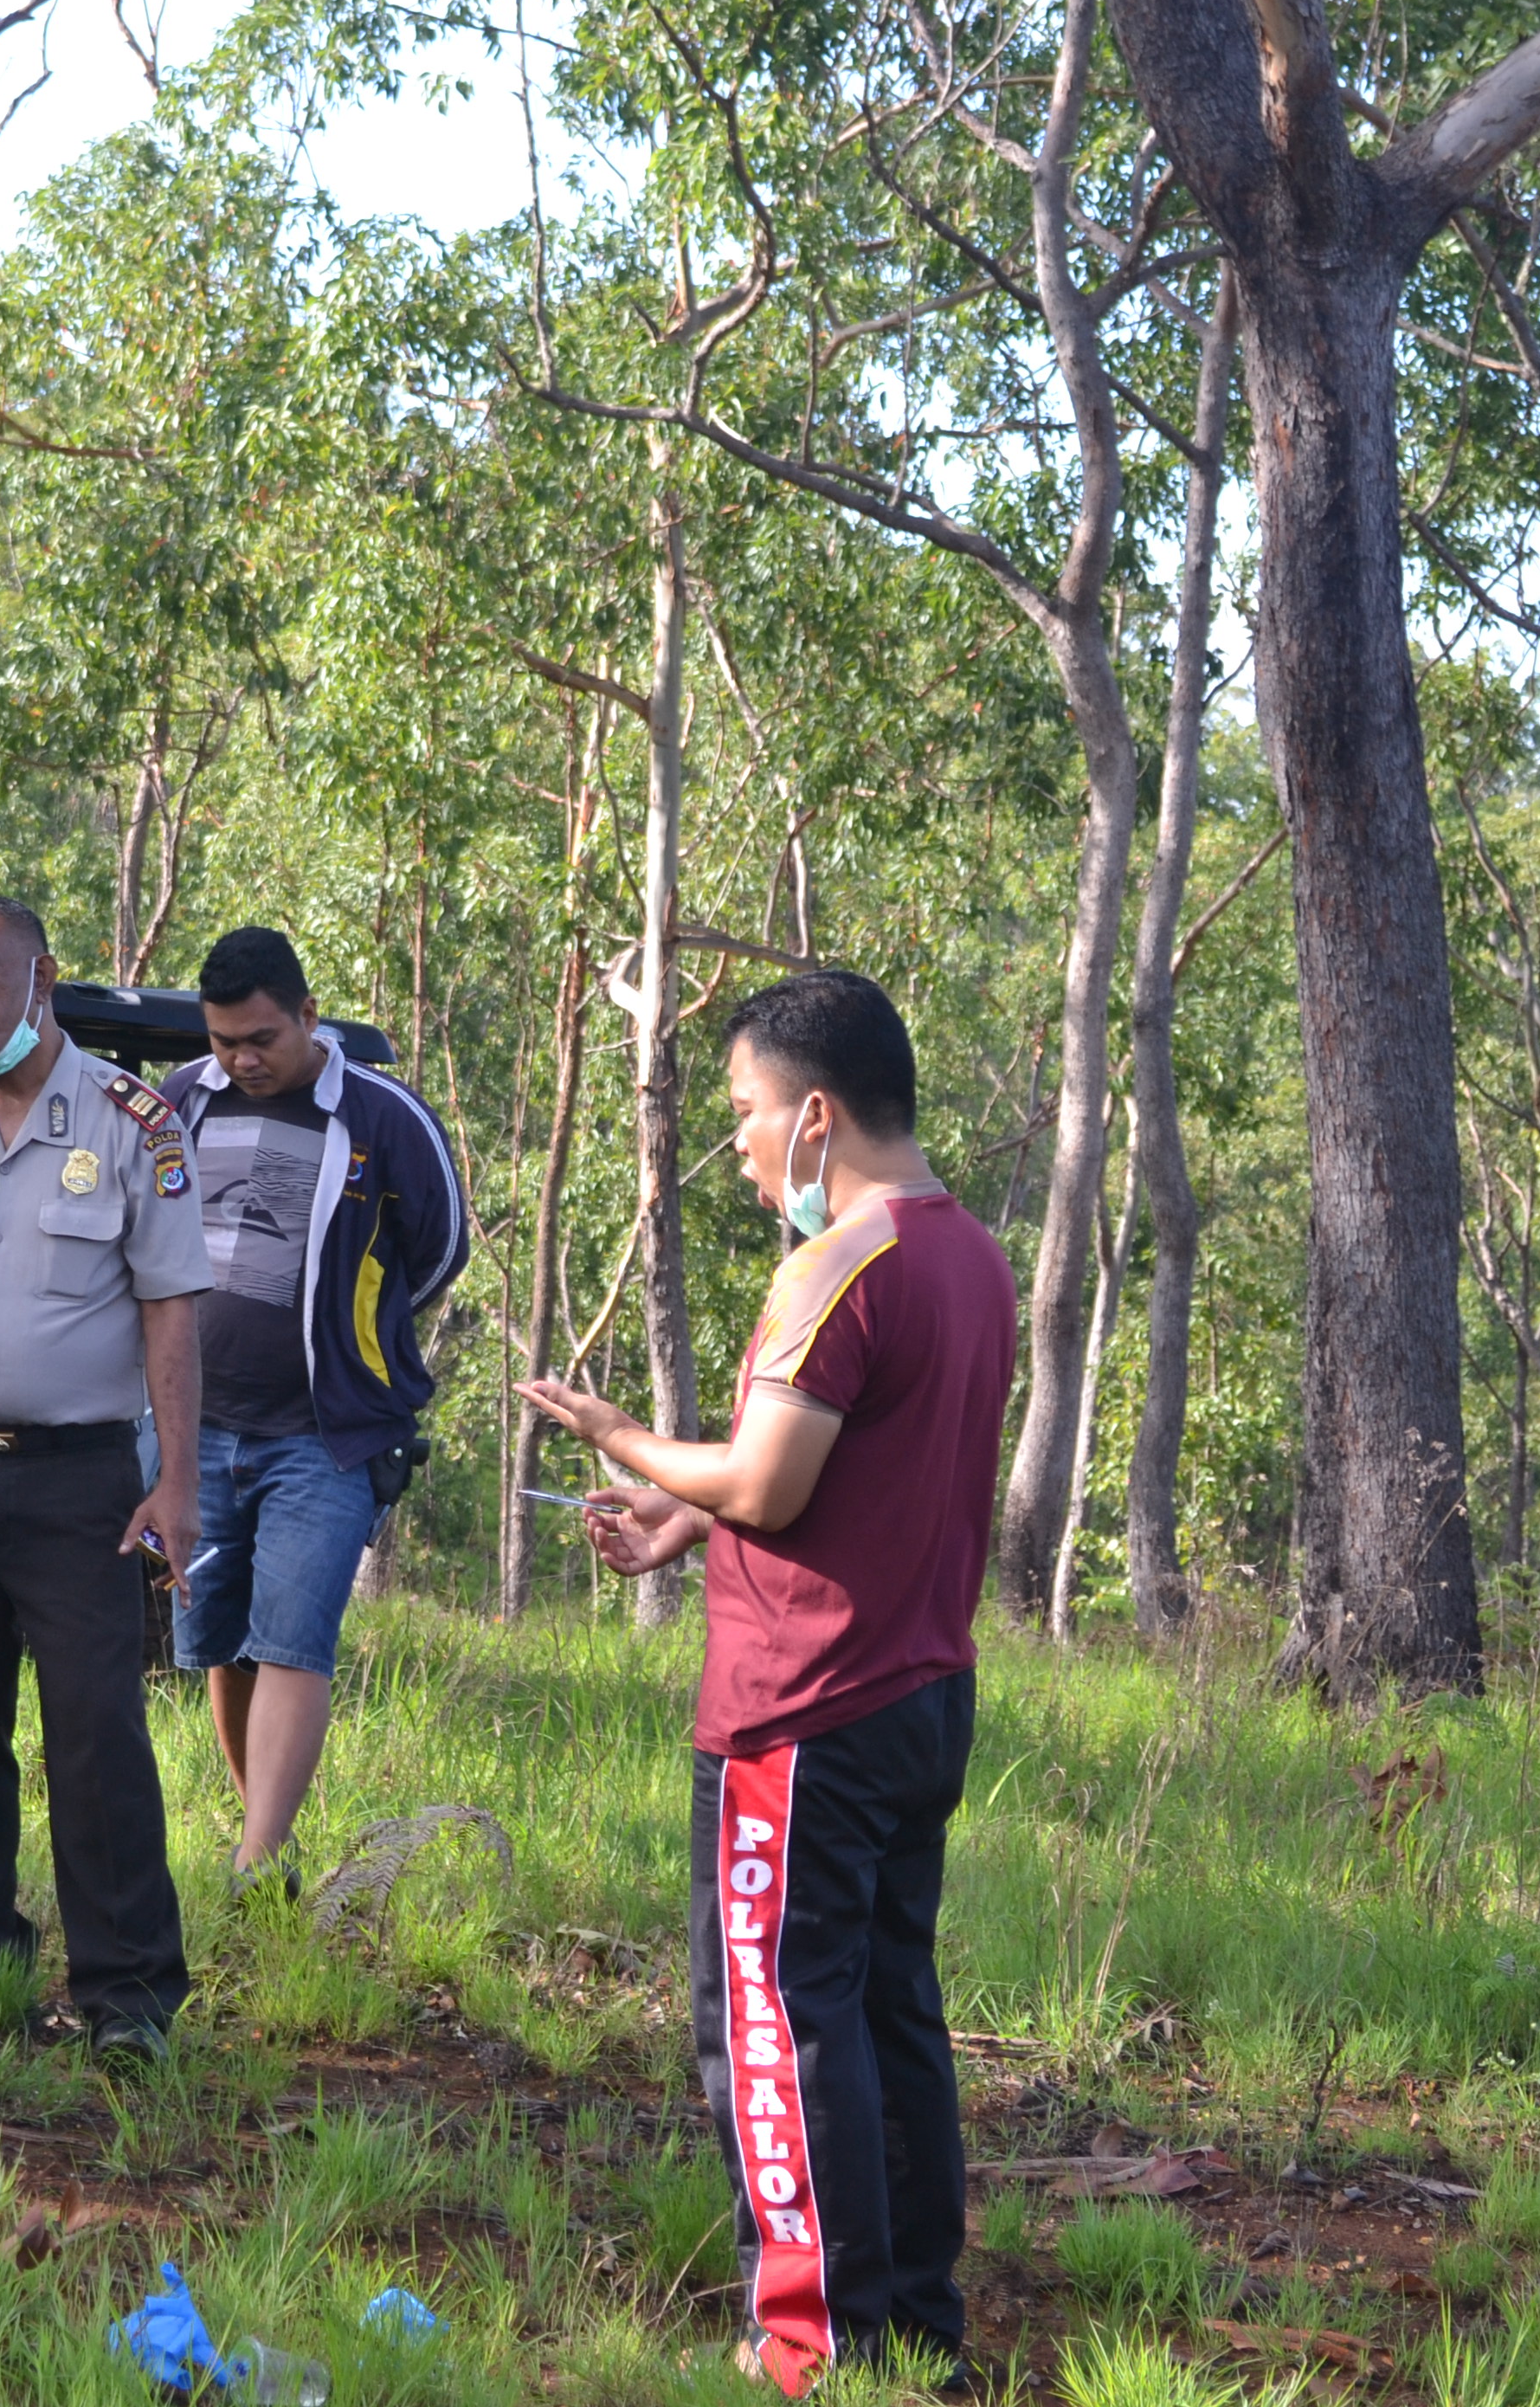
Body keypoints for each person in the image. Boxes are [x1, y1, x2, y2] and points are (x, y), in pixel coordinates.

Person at [521, 968, 1009, 2397]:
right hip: (919, 1690)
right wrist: (686, 1515)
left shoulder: (836, 1263)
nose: (733, 1146)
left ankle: (812, 2341)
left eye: (738, 1114)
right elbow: (847, 1463)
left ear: (813, 1114)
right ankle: (911, 2322)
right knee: (883, 2009)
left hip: (806, 1707)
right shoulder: (965, 1252)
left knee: (774, 2020)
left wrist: (626, 1437)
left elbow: (770, 1480)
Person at [0, 894, 204, 2062]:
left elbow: (172, 1308)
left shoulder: (133, 1116)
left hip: (81, 1482)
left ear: (43, 976)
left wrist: (177, 1480)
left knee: (95, 1737)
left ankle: (128, 1999)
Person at [164, 925, 467, 1887]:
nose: (243, 1059)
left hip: (327, 1435)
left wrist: (354, 1330)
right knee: (221, 1635)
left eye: (262, 1038)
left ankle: (254, 1865)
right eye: (224, 1041)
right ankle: (271, 1841)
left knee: (293, 1635)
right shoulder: (180, 1103)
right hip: (197, 1429)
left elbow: (442, 1249)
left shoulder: (382, 1118)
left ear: (308, 1014)